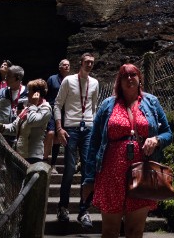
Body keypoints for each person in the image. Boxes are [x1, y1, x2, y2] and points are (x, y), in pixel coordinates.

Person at [81, 64, 173, 238]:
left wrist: (156, 140)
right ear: (119, 81)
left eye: (133, 75)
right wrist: (89, 178)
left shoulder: (152, 102)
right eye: (125, 76)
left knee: (135, 231)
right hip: (110, 174)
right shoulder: (107, 105)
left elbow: (168, 133)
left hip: (142, 174)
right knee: (109, 232)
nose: (129, 78)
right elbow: (94, 143)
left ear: (139, 79)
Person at [54, 53, 99, 227]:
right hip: (71, 129)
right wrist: (59, 128)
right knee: (70, 169)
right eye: (87, 62)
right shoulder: (68, 81)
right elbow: (57, 104)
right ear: (80, 63)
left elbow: (94, 108)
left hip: (88, 129)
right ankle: (63, 207)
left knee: (88, 170)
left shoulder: (94, 83)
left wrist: (94, 128)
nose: (89, 65)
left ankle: (83, 211)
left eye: (92, 62)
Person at [0, 78, 52, 163]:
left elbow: (32, 121)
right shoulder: (27, 109)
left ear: (37, 94)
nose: (27, 93)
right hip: (21, 154)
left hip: (33, 156)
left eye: (30, 90)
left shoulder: (45, 109)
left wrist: (33, 105)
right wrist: (0, 126)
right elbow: (14, 127)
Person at [44, 58, 71, 167]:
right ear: (60, 67)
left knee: (57, 138)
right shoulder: (52, 79)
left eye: (68, 65)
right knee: (50, 133)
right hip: (52, 109)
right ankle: (44, 159)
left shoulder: (70, 80)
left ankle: (53, 164)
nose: (67, 66)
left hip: (63, 111)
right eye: (64, 65)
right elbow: (46, 93)